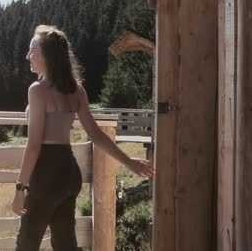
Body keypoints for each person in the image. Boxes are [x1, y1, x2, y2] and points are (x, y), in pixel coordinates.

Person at [12, 25, 155, 251]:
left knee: (26, 243)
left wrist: (19, 189)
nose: (27, 56)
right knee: (65, 244)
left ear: (47, 56)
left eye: (32, 50)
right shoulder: (76, 90)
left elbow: (33, 146)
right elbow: (96, 135)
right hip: (68, 173)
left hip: (46, 173)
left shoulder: (37, 90)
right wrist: (130, 162)